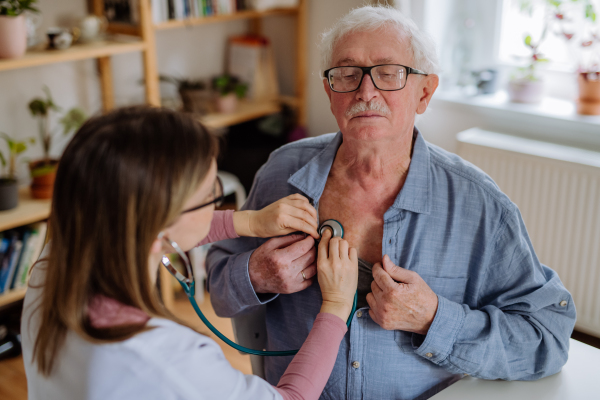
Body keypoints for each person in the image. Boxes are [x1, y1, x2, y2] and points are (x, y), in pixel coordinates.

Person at [206, 5, 577, 400]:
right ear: (330, 93)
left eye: (389, 73)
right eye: (347, 75)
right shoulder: (280, 173)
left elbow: (547, 337)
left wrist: (434, 319)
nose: (366, 92)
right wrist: (256, 274)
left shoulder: (480, 205)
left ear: (425, 92)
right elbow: (217, 287)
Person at [20, 106, 359, 400]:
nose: (219, 201)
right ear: (159, 227)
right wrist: (335, 308)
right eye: (212, 195)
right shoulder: (167, 359)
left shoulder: (51, 270)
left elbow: (155, 226)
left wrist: (249, 222)